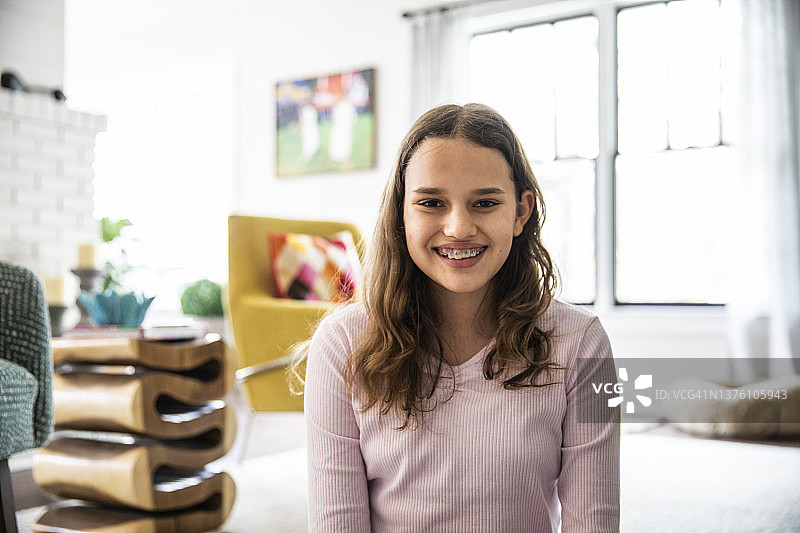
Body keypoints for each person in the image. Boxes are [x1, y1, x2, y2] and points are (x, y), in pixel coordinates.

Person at [303, 103, 620, 532]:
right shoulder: (341, 343)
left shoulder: (583, 342)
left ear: (521, 212)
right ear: (401, 212)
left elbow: (595, 523)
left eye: (485, 202)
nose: (458, 228)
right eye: (431, 202)